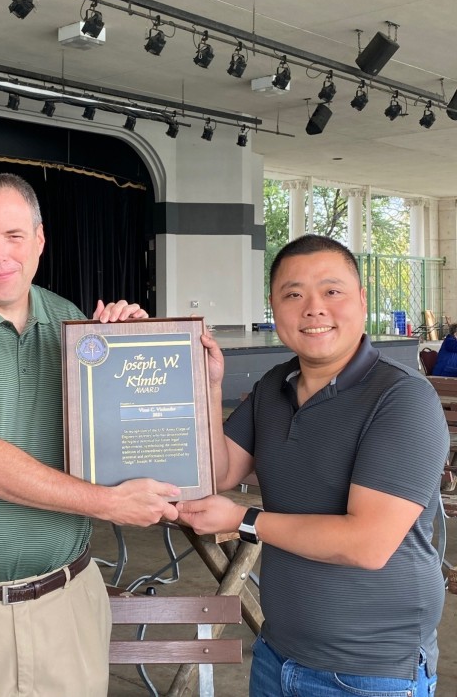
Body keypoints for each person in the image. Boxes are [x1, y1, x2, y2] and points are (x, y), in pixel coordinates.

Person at [0, 173, 180, 697]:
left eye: (14, 236)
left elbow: (117, 439)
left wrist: (133, 348)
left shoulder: (70, 323)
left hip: (66, 607)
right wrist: (107, 503)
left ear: (40, 240)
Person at [178, 234, 449, 697]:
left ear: (362, 301)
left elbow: (368, 543)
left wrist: (245, 520)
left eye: (332, 291)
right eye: (293, 294)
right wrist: (209, 385)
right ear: (273, 306)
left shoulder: (401, 398)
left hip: (368, 671)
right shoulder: (273, 387)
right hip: (276, 653)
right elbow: (220, 473)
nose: (313, 307)